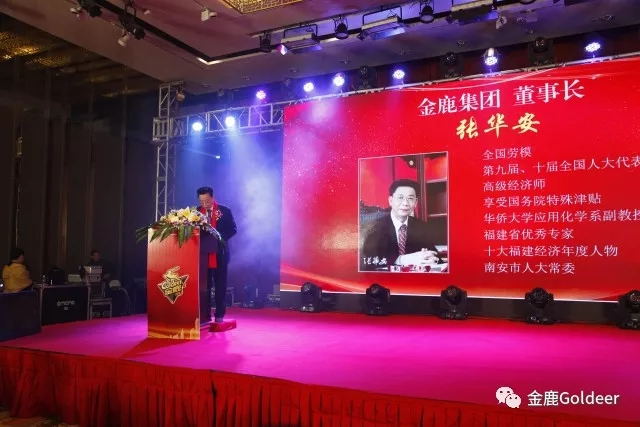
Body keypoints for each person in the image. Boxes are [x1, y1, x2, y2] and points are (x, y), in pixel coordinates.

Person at [361, 179, 438, 271]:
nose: (405, 203)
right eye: (400, 198)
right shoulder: (374, 227)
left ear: (415, 203)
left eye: (410, 198)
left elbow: (434, 255)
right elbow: (369, 259)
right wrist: (404, 259)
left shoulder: (422, 226)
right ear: (391, 201)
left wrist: (430, 258)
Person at [197, 186, 237, 322]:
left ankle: (219, 314)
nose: (204, 204)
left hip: (220, 253)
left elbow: (233, 229)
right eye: (202, 201)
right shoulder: (196, 213)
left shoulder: (225, 211)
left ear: (212, 198)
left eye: (207, 201)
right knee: (204, 286)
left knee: (220, 285)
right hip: (202, 255)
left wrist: (219, 238)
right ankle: (205, 314)